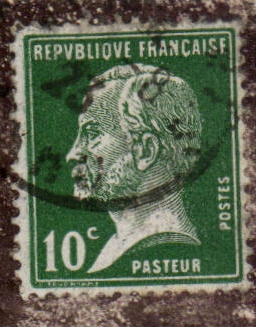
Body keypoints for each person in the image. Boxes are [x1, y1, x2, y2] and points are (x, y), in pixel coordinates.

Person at [66, 63, 202, 273]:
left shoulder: (165, 245)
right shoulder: (119, 244)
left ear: (145, 151)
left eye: (92, 134)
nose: (73, 153)